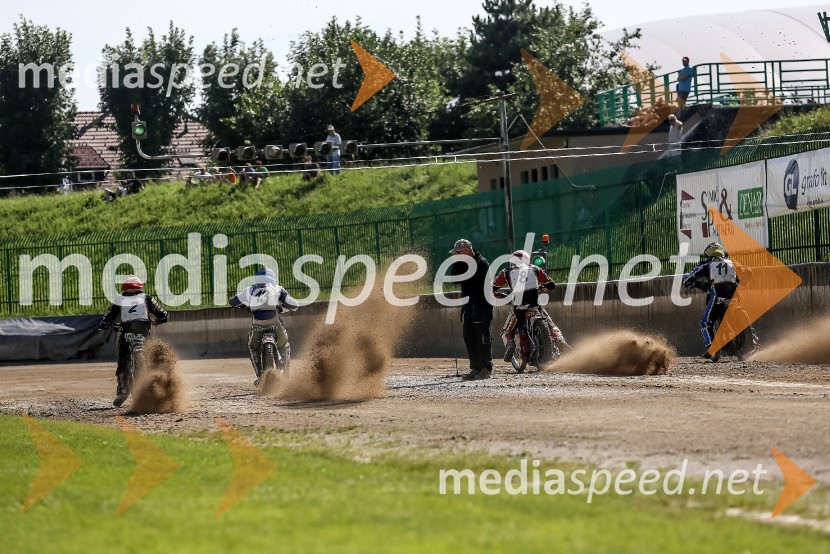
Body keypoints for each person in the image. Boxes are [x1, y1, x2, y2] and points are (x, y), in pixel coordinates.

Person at [98, 276, 169, 407]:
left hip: (127, 332)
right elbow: (163, 314)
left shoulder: (119, 300)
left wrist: (107, 325)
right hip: (144, 332)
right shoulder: (146, 298)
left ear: (124, 289)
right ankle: (153, 387)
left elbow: (105, 320)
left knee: (124, 361)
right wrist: (158, 321)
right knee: (152, 359)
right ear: (139, 288)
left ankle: (123, 390)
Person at [229, 267, 299, 385]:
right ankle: (286, 377)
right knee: (284, 346)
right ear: (273, 279)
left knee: (252, 347)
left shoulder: (250, 289)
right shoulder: (278, 289)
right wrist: (282, 306)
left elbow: (233, 302)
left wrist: (244, 306)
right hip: (275, 323)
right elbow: (294, 305)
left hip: (257, 325)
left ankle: (260, 377)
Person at [682, 242, 749, 361]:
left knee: (706, 322)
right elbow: (749, 273)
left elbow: (689, 278)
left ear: (708, 254)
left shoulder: (706, 264)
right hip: (734, 293)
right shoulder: (732, 263)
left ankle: (711, 349)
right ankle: (738, 348)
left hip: (718, 292)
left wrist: (690, 283)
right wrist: (739, 284)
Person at [492, 250, 558, 362]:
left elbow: (493, 288)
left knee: (506, 330)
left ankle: (510, 342)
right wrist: (541, 288)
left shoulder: (506, 272)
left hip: (519, 306)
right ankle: (557, 337)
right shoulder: (536, 269)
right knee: (549, 322)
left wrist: (500, 295)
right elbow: (551, 285)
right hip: (535, 304)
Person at [449, 239, 494, 380]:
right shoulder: (464, 263)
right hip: (468, 307)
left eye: (458, 252)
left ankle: (485, 367)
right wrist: (457, 262)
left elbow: (469, 277)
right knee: (469, 337)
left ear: (466, 250)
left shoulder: (481, 263)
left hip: (481, 307)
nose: (456, 254)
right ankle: (475, 367)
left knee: (482, 338)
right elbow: (454, 279)